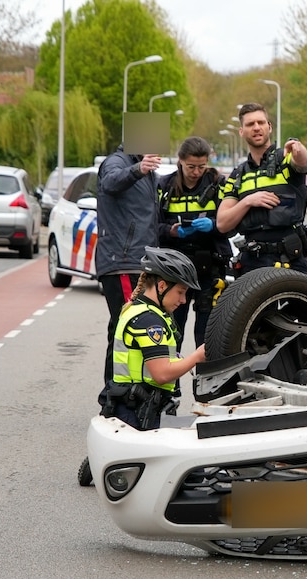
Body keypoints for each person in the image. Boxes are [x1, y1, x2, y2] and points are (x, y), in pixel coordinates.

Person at [100, 246, 207, 431]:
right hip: (136, 411)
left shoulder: (142, 310)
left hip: (134, 404)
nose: (183, 300)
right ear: (162, 285)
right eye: (180, 292)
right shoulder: (149, 321)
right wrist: (197, 356)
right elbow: (162, 374)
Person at [95, 146, 164, 405]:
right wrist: (138, 169)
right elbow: (111, 181)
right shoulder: (118, 161)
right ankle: (116, 395)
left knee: (127, 328)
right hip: (123, 261)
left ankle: (122, 393)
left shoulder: (144, 169)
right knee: (127, 328)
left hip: (138, 261)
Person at [216, 103, 307, 275]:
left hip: (290, 260)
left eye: (261, 123)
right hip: (253, 262)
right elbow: (222, 224)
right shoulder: (238, 175)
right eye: (250, 124)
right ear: (241, 131)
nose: (256, 128)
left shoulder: (286, 159)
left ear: (269, 127)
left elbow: (303, 162)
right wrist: (247, 201)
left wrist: (298, 148)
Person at [157, 136, 233, 348]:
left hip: (209, 270)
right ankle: (172, 380)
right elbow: (152, 226)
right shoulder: (164, 186)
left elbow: (233, 224)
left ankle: (205, 380)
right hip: (174, 270)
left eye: (202, 166)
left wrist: (215, 225)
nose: (197, 172)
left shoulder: (219, 185)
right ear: (180, 160)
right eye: (191, 166)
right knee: (173, 332)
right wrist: (171, 232)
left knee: (207, 336)